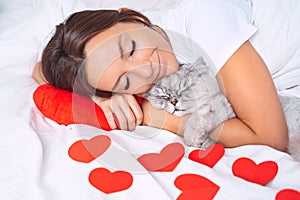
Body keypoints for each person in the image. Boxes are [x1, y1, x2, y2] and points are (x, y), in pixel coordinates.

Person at [32, 0, 300, 152]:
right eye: (125, 81)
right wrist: (98, 96)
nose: (145, 70)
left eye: (131, 50)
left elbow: (270, 139)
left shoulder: (204, 18)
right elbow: (42, 69)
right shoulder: (145, 48)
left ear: (133, 18)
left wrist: (157, 118)